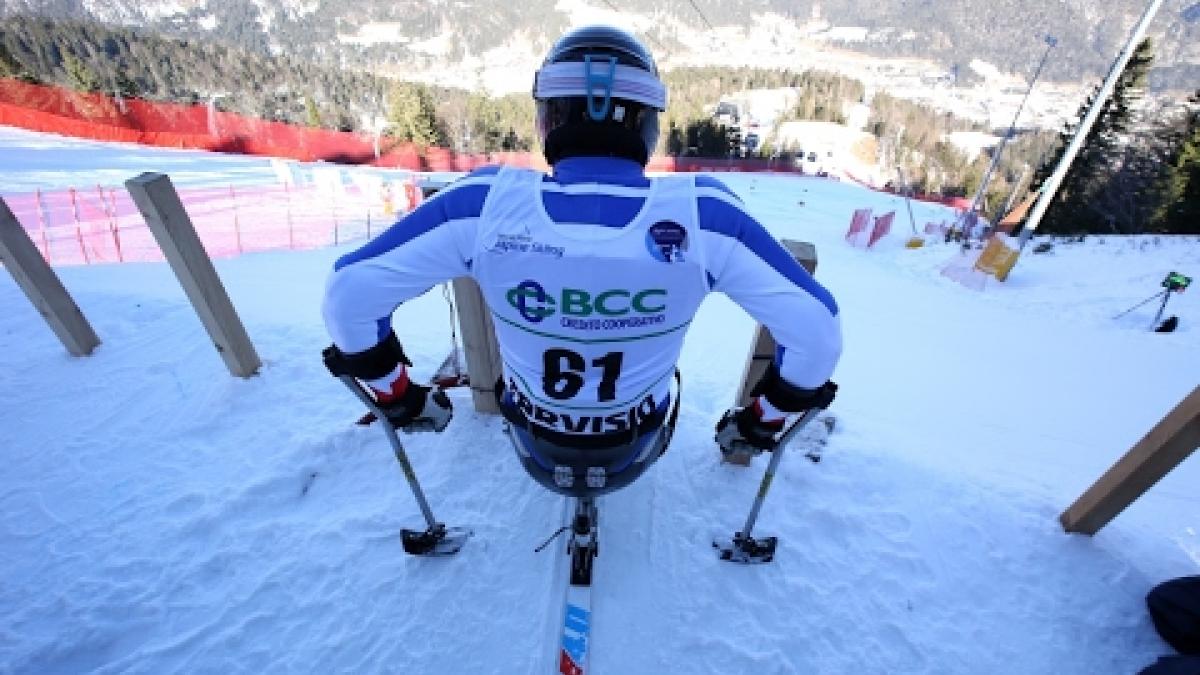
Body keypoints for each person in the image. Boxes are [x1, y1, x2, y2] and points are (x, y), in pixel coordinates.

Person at [321, 25, 841, 499]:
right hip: (635, 442)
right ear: (648, 125)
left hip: (533, 439)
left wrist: (401, 398)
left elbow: (349, 300)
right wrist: (760, 422)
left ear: (548, 119)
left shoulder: (483, 204)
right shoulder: (705, 215)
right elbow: (818, 335)